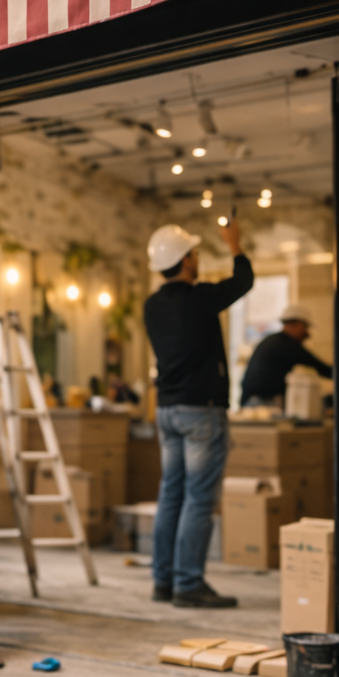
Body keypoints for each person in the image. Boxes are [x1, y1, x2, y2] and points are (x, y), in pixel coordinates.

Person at [143, 218, 254, 609]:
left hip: (168, 411)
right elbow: (243, 282)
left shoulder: (151, 305)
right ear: (185, 261)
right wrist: (234, 245)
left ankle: (163, 580)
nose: (197, 258)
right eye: (194, 253)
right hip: (201, 414)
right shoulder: (200, 298)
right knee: (198, 499)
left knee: (170, 494)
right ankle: (188, 583)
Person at [240, 306, 332, 407]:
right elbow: (319, 366)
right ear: (297, 324)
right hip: (262, 403)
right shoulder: (286, 345)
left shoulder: (273, 340)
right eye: (305, 327)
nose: (307, 333)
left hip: (251, 400)